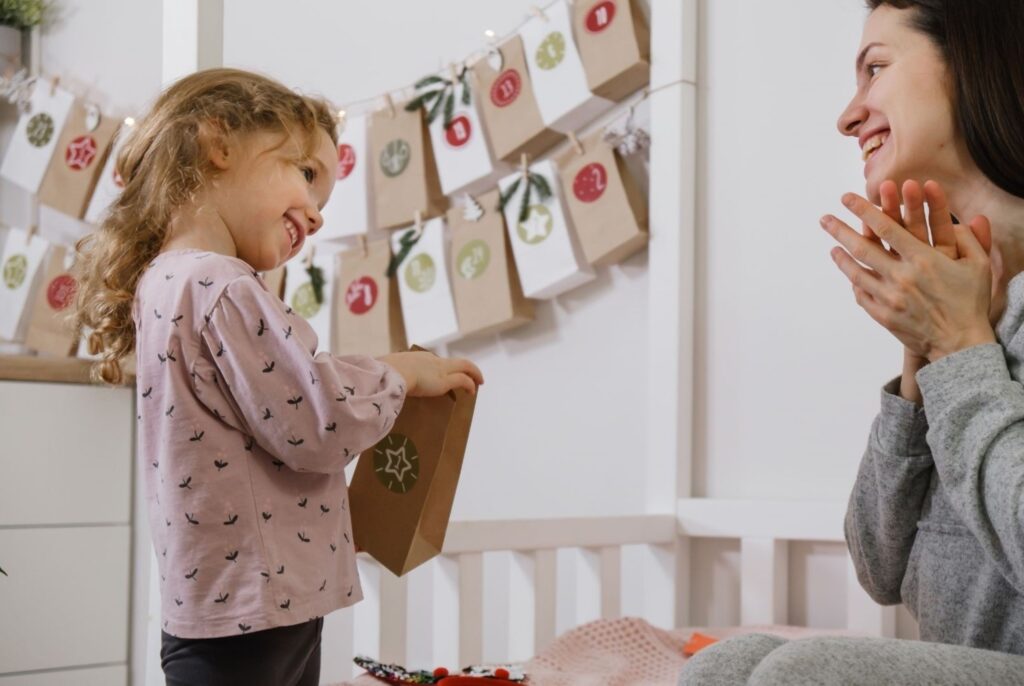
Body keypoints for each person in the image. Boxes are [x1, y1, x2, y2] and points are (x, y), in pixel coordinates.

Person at [73, 68, 483, 686]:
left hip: (216, 602)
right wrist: (400, 374)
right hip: (258, 610)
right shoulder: (222, 283)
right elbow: (316, 421)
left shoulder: (165, 281)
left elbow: (259, 427)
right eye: (308, 175)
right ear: (220, 143)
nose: (316, 216)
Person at [680, 1, 1024, 683]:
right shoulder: (968, 310)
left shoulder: (970, 333)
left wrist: (958, 350)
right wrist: (922, 360)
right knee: (726, 666)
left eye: (875, 69)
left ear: (973, 63)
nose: (848, 115)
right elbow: (878, 565)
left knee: (798, 674)